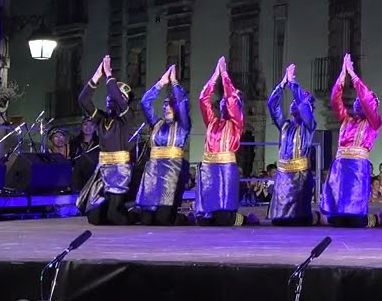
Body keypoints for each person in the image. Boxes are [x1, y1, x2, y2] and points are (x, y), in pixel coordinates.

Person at [321, 53, 382, 227]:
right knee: (336, 219)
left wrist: (354, 76)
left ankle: (375, 219)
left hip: (357, 168)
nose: (358, 102)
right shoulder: (346, 120)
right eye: (356, 100)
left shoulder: (374, 122)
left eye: (362, 101)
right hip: (340, 167)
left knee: (354, 218)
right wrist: (343, 75)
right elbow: (336, 101)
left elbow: (367, 102)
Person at [75, 55, 140, 225]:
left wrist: (110, 75)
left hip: (120, 172)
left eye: (117, 97)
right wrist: (97, 76)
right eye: (109, 96)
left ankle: (137, 215)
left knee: (114, 216)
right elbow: (83, 100)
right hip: (103, 171)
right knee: (94, 217)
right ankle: (120, 208)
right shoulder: (103, 119)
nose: (110, 98)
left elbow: (116, 96)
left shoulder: (127, 118)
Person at [195, 56, 256, 226]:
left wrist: (225, 75)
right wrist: (215, 75)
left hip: (226, 170)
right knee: (204, 220)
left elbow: (230, 100)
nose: (224, 102)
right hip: (209, 169)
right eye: (222, 101)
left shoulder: (236, 123)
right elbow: (203, 99)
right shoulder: (212, 122)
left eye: (230, 101)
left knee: (223, 219)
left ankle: (246, 220)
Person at [135, 64, 192, 226]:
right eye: (164, 105)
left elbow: (182, 102)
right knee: (146, 219)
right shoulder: (157, 123)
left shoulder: (183, 126)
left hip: (172, 173)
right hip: (153, 172)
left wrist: (174, 82)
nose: (166, 107)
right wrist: (161, 83)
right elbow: (145, 102)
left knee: (162, 219)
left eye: (169, 105)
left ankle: (183, 218)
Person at [266, 63, 317, 226]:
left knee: (298, 220)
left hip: (299, 176)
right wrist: (283, 84)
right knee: (279, 220)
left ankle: (315, 217)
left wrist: (293, 84)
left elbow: (302, 105)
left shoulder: (308, 125)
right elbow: (272, 106)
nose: (293, 104)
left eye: (296, 102)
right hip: (283, 176)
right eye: (292, 102)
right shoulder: (285, 125)